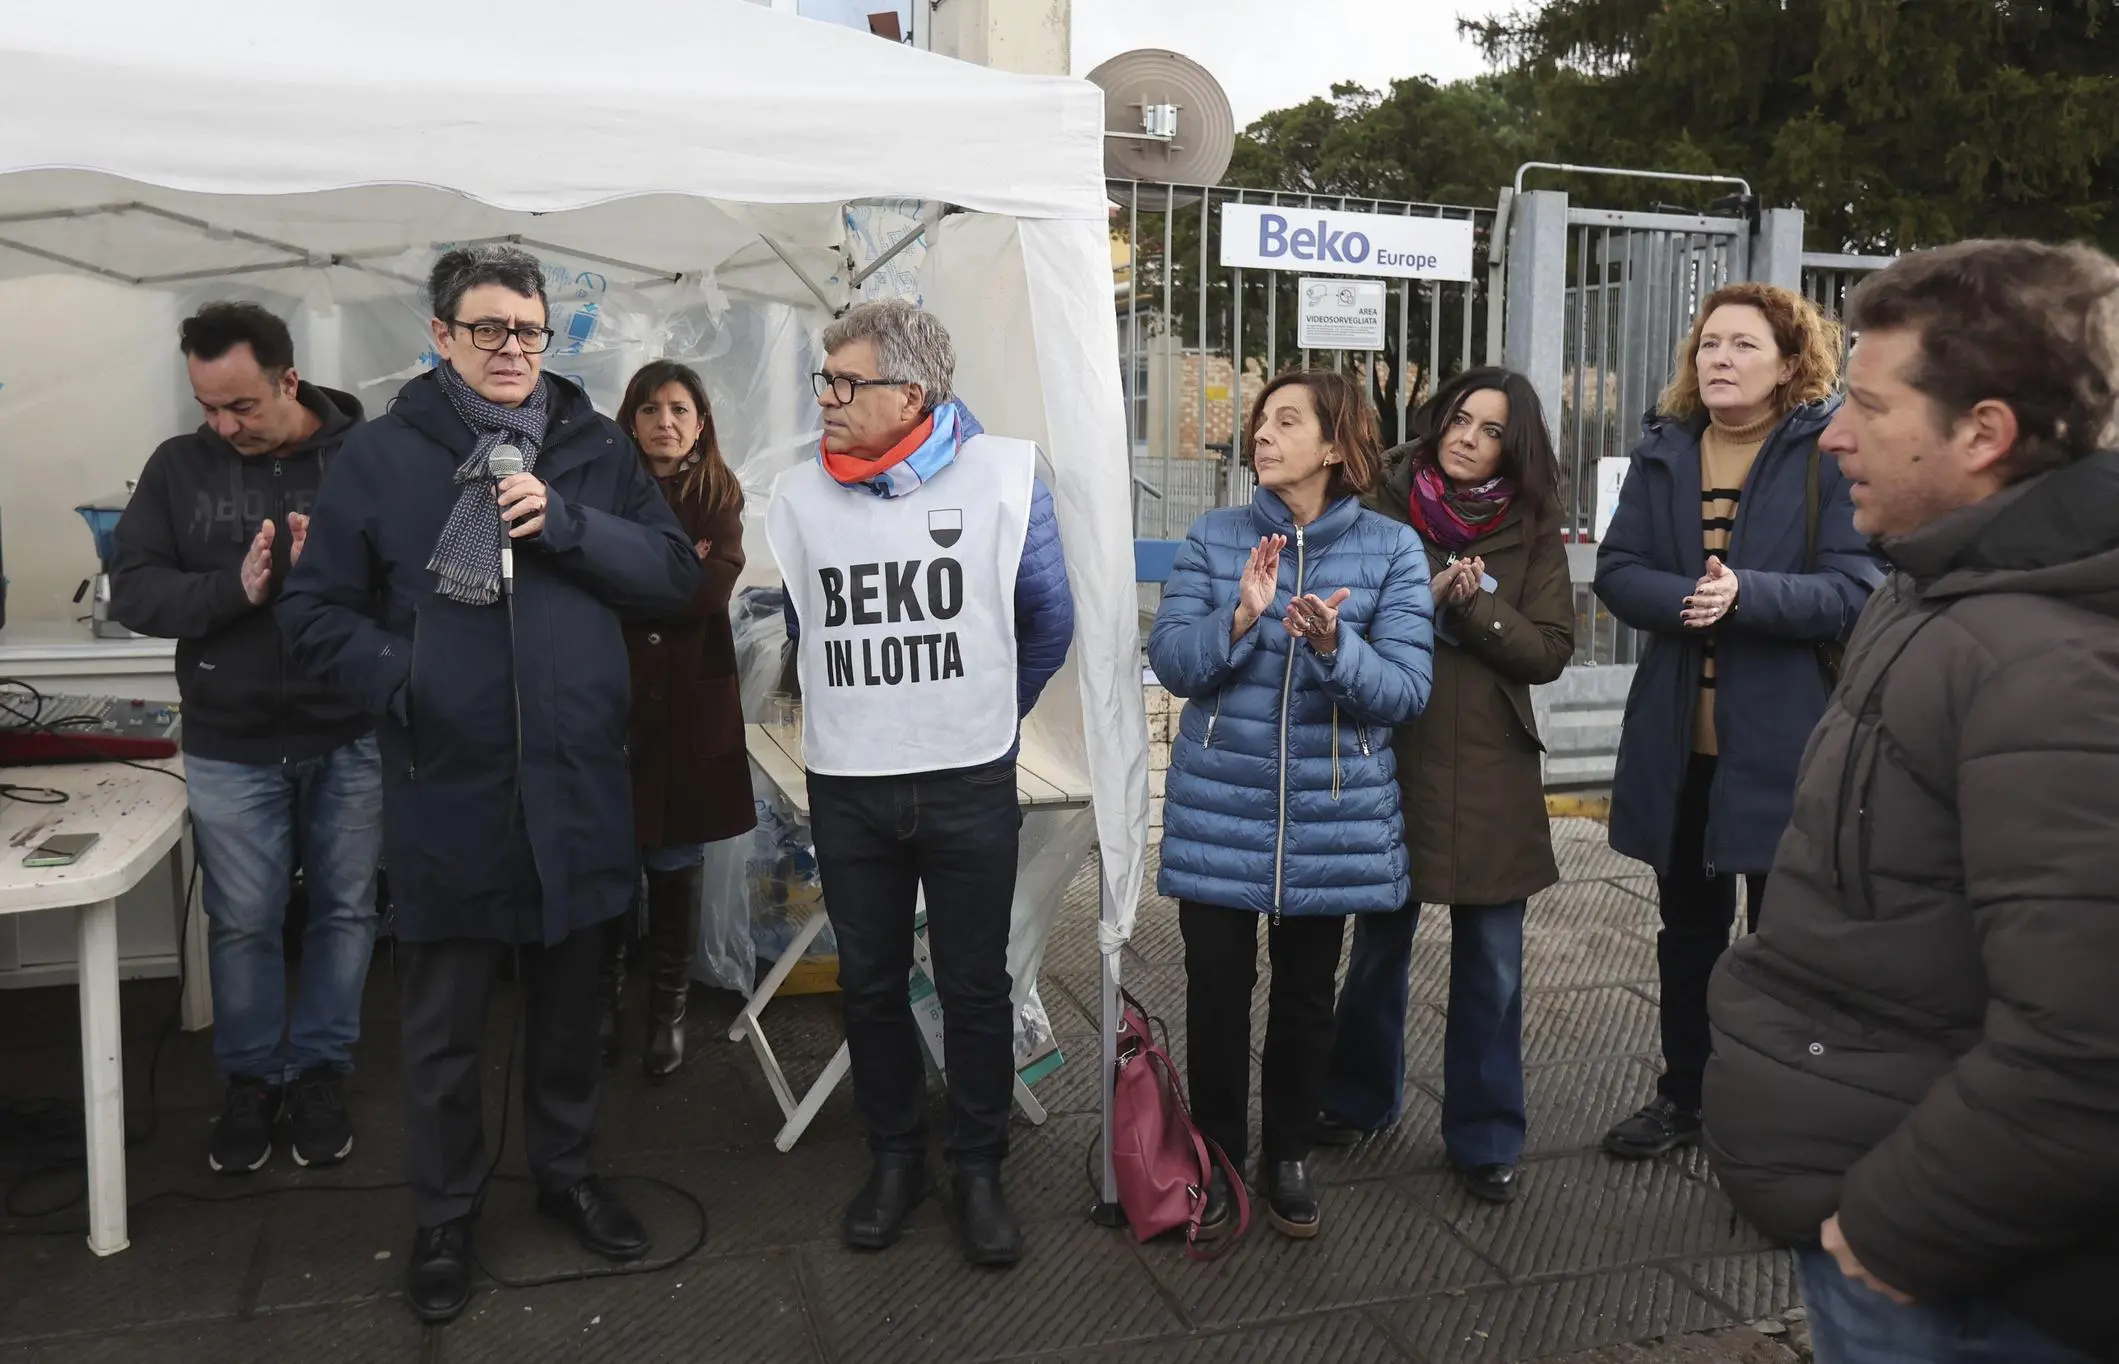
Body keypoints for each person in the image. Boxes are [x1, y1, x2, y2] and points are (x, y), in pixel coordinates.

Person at [1705, 240, 2119, 1364]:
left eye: (1868, 405)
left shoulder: (2057, 666)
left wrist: (1884, 1231)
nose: (1832, 431)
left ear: (1982, 433)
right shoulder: (1935, 583)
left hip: (1958, 1283)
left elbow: (2087, 1045)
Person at [277, 245, 701, 1323]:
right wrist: (405, 677)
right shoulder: (380, 455)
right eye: (488, 329)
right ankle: (448, 1213)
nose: (512, 348)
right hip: (449, 791)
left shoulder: (595, 447)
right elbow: (314, 612)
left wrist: (566, 522)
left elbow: (672, 576)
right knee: (443, 1031)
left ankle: (565, 1174)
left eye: (528, 329)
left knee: (570, 1014)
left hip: (576, 790)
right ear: (440, 333)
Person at [766, 299, 1074, 1268]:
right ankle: (894, 1155)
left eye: (845, 382)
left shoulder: (1003, 476)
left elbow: (1047, 618)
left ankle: (976, 1163)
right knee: (868, 983)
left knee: (975, 984)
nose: (827, 398)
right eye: (823, 379)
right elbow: (805, 624)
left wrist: (984, 714)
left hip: (963, 782)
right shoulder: (798, 493)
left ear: (913, 392)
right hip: (850, 783)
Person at [1593, 282, 1884, 1161]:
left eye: (1742, 345)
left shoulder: (1825, 454)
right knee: (1686, 934)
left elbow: (1854, 588)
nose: (1718, 359)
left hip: (1787, 748)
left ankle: (1779, 1117)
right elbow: (1617, 570)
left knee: (1784, 946)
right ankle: (1685, 1094)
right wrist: (1695, 595)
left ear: (1792, 363)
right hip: (1681, 747)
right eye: (1709, 343)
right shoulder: (1665, 450)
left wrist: (1746, 593)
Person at [1151, 371, 1434, 1241]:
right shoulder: (1214, 535)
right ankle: (1216, 1157)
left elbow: (1406, 692)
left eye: (1285, 421)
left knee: (1308, 997)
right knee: (1215, 991)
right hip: (1219, 808)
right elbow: (1170, 662)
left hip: (1331, 814)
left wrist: (1330, 642)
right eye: (1259, 421)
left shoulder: (1391, 550)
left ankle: (1288, 1157)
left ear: (1335, 444)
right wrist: (1242, 617)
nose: (1261, 435)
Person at [110, 302, 381, 1177]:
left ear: (289, 381)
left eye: (243, 407)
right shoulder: (177, 468)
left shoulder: (365, 460)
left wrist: (329, 585)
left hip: (346, 731)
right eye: (207, 407)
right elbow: (136, 593)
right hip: (231, 739)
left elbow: (412, 583)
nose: (223, 426)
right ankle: (252, 1081)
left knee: (345, 910)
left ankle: (320, 1074)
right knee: (243, 921)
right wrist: (238, 590)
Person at [1314, 367, 1573, 1206]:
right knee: (1376, 944)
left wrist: (1471, 612)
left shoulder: (1531, 521)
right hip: (1394, 748)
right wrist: (1422, 603)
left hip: (1493, 762)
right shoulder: (1382, 500)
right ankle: (1357, 1099)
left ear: (1515, 444)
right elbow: (1345, 617)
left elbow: (1547, 649)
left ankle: (1485, 1135)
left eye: (1490, 429)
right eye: (1459, 420)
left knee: (1492, 963)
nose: (1466, 438)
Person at [602, 360, 756, 1079]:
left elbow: (704, 593)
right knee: (606, 862)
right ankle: (602, 1004)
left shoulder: (718, 494)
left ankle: (666, 1010)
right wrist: (660, 574)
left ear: (700, 424)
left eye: (680, 409)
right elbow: (584, 578)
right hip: (610, 702)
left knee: (671, 860)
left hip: (687, 709)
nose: (665, 421)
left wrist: (632, 579)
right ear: (629, 419)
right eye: (651, 408)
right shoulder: (597, 486)